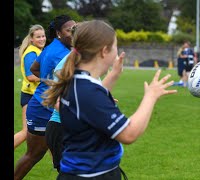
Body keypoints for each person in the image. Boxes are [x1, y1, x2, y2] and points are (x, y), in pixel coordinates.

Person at [41, 20, 177, 180]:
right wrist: (151, 96)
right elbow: (129, 134)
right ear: (104, 51)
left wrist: (113, 76)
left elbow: (87, 103)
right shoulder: (88, 91)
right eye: (115, 46)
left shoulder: (76, 80)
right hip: (92, 176)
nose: (117, 51)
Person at [14, 15, 76, 180]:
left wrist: (48, 81)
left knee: (62, 157)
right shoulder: (62, 54)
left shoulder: (52, 47)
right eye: (68, 30)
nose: (73, 33)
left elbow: (36, 69)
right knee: (34, 155)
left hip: (47, 107)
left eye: (74, 29)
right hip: (43, 110)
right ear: (58, 33)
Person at [15, 24, 46, 150]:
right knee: (25, 132)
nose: (42, 39)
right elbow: (30, 76)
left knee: (50, 133)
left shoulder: (39, 51)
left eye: (43, 36)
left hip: (39, 97)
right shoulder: (31, 53)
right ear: (31, 39)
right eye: (38, 37)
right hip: (30, 97)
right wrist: (50, 79)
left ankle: (60, 167)